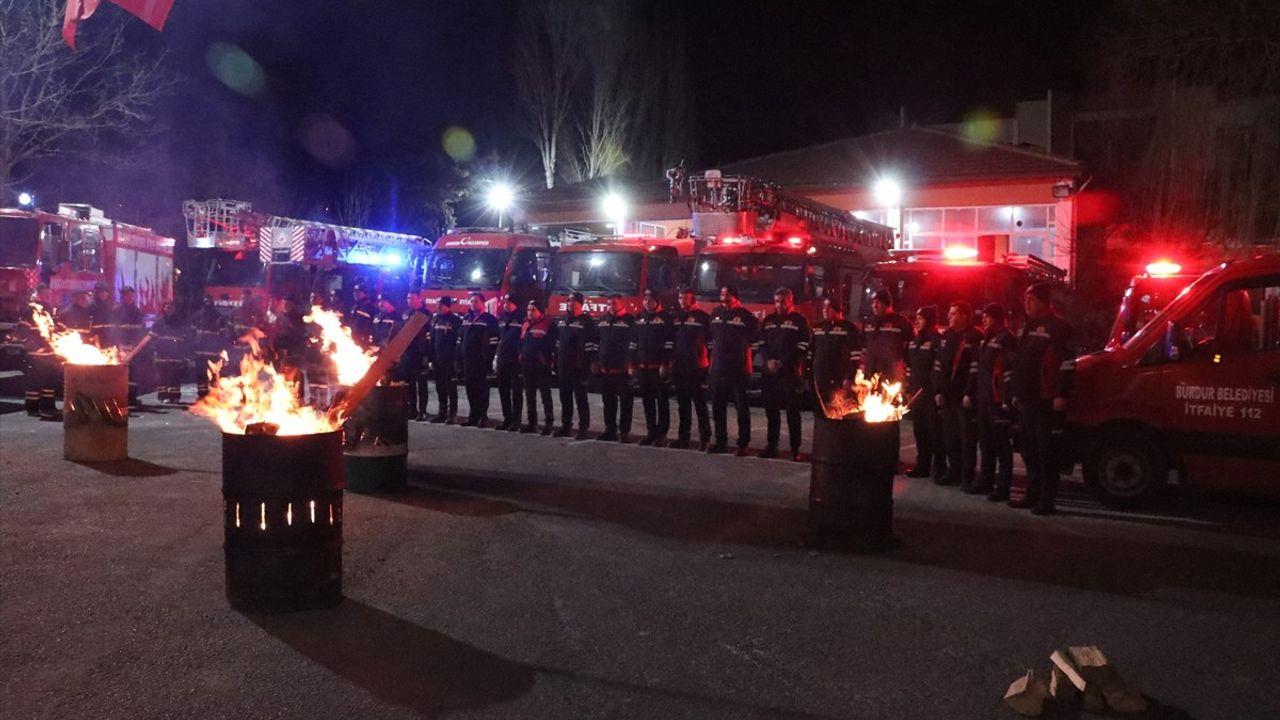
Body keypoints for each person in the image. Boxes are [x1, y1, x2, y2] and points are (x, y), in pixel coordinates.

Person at [1009, 283, 1075, 515]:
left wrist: (1061, 394)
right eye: (1025, 299)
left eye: (1032, 300)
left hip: (1045, 400)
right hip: (1026, 399)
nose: (1027, 304)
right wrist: (1015, 393)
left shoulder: (1059, 328)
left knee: (1046, 451)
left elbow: (1067, 365)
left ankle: (1047, 499)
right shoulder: (1027, 327)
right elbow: (1020, 363)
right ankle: (1033, 492)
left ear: (1045, 302)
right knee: (1028, 449)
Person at [969, 303, 1016, 502]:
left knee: (1002, 446)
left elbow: (1009, 371)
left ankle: (1003, 487)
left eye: (987, 317)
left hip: (998, 400)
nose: (984, 320)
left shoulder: (1007, 339)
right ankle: (986, 482)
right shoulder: (985, 339)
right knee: (986, 443)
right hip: (984, 398)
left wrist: (1007, 399)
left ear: (996, 318)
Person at [933, 301, 983, 490]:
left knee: (967, 438)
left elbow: (976, 369)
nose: (949, 317)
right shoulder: (946, 336)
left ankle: (967, 475)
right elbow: (938, 366)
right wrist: (938, 389)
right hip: (947, 395)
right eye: (950, 313)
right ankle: (953, 471)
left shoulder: (975, 337)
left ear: (964, 316)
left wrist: (970, 392)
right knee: (950, 436)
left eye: (954, 313)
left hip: (964, 395)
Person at [757, 287, 810, 460]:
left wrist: (783, 362)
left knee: (792, 412)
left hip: (789, 372)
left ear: (790, 301)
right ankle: (771, 446)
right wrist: (768, 361)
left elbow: (803, 345)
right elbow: (761, 343)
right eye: (777, 301)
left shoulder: (799, 320)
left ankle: (795, 450)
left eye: (783, 301)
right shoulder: (768, 320)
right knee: (771, 411)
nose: (779, 305)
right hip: (770, 372)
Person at [707, 285, 758, 456]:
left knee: (741, 407)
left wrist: (746, 358)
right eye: (722, 294)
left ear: (735, 297)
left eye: (727, 294)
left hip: (738, 369)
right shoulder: (715, 313)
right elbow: (709, 337)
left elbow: (756, 342)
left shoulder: (746, 317)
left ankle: (743, 443)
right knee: (717, 407)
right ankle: (720, 441)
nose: (724, 297)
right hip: (718, 369)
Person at [905, 306, 944, 480]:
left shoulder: (937, 340)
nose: (917, 321)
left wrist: (936, 389)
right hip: (916, 391)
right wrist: (908, 388)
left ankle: (939, 467)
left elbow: (938, 368)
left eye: (920, 318)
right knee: (919, 430)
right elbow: (910, 366)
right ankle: (922, 466)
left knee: (934, 431)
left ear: (928, 320)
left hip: (929, 392)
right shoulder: (915, 340)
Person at [632, 288, 675, 446]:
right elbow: (633, 342)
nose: (647, 302)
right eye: (645, 299)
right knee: (647, 401)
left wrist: (665, 363)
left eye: (650, 300)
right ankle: (651, 431)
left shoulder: (666, 319)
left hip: (658, 367)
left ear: (657, 302)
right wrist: (632, 363)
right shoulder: (639, 318)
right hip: (643, 366)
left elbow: (669, 343)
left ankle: (661, 434)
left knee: (662, 402)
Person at [671, 288, 711, 450]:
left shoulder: (702, 317)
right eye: (680, 298)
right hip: (680, 367)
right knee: (683, 405)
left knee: (700, 404)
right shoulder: (675, 317)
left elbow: (710, 342)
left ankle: (705, 438)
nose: (682, 301)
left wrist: (708, 365)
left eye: (685, 298)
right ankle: (683, 438)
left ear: (693, 299)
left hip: (697, 367)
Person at [555, 292, 597, 439]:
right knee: (564, 397)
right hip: (563, 364)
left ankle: (583, 428)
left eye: (574, 301)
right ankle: (566, 426)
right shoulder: (563, 320)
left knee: (580, 398)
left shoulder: (587, 322)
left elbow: (591, 344)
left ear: (580, 303)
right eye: (569, 301)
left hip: (579, 366)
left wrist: (589, 362)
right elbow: (559, 343)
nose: (570, 303)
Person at [596, 293, 636, 442]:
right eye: (609, 304)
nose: (611, 307)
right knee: (609, 402)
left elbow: (634, 344)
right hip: (606, 369)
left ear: (621, 304)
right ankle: (610, 430)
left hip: (623, 370)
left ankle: (624, 432)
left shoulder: (630, 321)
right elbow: (597, 341)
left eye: (614, 304)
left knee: (626, 402)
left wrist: (631, 363)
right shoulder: (602, 321)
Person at [809, 297, 863, 402]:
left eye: (828, 308)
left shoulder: (849, 328)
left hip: (839, 378)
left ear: (837, 310)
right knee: (820, 409)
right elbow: (811, 352)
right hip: (819, 377)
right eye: (824, 307)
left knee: (837, 407)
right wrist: (808, 374)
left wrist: (849, 377)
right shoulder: (818, 328)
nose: (825, 310)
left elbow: (856, 355)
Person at [459, 292, 499, 427]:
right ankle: (473, 416)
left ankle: (483, 416)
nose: (473, 303)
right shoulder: (466, 318)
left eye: (475, 301)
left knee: (481, 388)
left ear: (483, 303)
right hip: (467, 359)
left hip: (481, 360)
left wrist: (489, 359)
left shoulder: (489, 319)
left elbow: (494, 340)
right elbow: (461, 338)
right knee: (470, 388)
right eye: (471, 301)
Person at [519, 300, 557, 434]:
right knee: (530, 395)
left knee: (545, 395)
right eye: (528, 310)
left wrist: (546, 359)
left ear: (540, 311)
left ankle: (549, 423)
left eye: (533, 310)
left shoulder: (548, 325)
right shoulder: (525, 324)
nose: (529, 312)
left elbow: (552, 345)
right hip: (527, 365)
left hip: (541, 365)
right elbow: (522, 343)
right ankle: (532, 423)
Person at [863, 287, 914, 383]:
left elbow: (912, 346)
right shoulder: (869, 322)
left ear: (886, 303)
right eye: (873, 303)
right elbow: (864, 345)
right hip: (871, 372)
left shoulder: (901, 322)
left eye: (877, 302)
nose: (874, 306)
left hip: (892, 374)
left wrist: (904, 364)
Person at [109, 286, 148, 407]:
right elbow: (114, 330)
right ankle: (120, 398)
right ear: (123, 296)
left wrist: (137, 346)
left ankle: (132, 398)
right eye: (128, 296)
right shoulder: (116, 310)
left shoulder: (136, 311)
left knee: (133, 374)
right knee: (121, 373)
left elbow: (140, 330)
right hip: (121, 347)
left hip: (133, 348)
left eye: (132, 296)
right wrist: (118, 345)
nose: (130, 298)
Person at [429, 296, 462, 423]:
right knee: (440, 387)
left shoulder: (455, 320)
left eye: (441, 305)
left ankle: (452, 413)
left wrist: (456, 359)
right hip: (437, 359)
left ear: (447, 306)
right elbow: (432, 339)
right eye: (437, 304)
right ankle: (441, 412)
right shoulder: (436, 319)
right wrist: (430, 357)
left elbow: (457, 341)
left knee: (451, 387)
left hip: (449, 359)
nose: (438, 307)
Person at [494, 294, 525, 431]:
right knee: (503, 389)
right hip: (502, 357)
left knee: (516, 391)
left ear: (515, 304)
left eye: (508, 302)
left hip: (515, 358)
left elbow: (524, 338)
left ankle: (516, 420)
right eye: (505, 301)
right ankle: (507, 418)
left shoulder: (522, 318)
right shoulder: (501, 317)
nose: (505, 304)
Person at [150, 301, 189, 404]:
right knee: (163, 377)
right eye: (167, 308)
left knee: (175, 377)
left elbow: (184, 340)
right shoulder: (158, 323)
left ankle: (175, 397)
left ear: (174, 309)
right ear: (164, 309)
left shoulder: (179, 323)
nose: (169, 310)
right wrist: (154, 352)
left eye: (171, 308)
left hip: (175, 355)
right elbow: (153, 339)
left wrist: (184, 354)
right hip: (162, 355)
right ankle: (164, 397)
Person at [400, 292, 432, 420]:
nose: (409, 300)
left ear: (419, 299)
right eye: (408, 298)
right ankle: (412, 409)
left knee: (422, 384)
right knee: (410, 384)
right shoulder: (405, 314)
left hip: (420, 353)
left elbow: (429, 336)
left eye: (412, 298)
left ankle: (422, 410)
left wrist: (427, 354)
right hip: (408, 353)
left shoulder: (426, 314)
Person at [191, 295, 227, 397]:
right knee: (211, 374)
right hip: (210, 351)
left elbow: (191, 335)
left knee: (203, 374)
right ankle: (210, 396)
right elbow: (223, 335)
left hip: (203, 351)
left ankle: (204, 395)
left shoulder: (197, 316)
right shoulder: (218, 316)